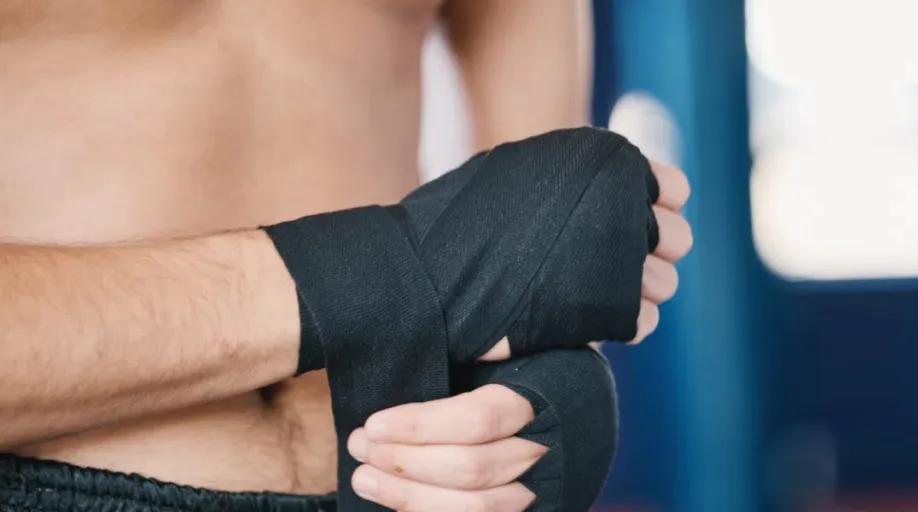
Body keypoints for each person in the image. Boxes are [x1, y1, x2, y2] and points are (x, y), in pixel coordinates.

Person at [0, 1, 692, 511]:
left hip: (405, 488)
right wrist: (365, 280)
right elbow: (458, 262)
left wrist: (537, 404)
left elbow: (536, 253)